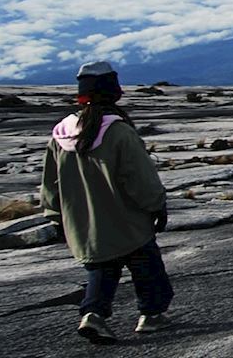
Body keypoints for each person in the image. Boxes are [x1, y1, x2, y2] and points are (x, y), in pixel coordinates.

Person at [41, 61, 174, 344]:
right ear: (114, 92)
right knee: (147, 268)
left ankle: (93, 315)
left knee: (102, 270)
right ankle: (151, 316)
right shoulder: (117, 131)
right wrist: (155, 205)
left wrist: (55, 215)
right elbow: (139, 177)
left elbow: (50, 183)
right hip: (127, 219)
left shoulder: (61, 134)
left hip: (83, 223)